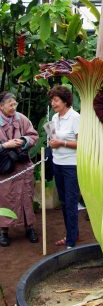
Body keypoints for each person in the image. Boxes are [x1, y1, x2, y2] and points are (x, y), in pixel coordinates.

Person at [0, 91, 39, 247]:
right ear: (1, 106)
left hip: (23, 167)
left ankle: (29, 228)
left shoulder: (21, 118)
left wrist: (23, 140)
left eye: (15, 104)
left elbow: (34, 136)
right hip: (5, 170)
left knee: (26, 197)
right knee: (5, 199)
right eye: (10, 104)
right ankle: (3, 231)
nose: (14, 107)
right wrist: (5, 145)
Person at [48, 85, 80, 249]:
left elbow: (82, 143)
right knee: (63, 201)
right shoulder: (54, 118)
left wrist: (62, 143)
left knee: (70, 201)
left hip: (71, 166)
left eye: (56, 100)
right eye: (52, 100)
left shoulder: (75, 117)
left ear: (65, 101)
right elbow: (53, 136)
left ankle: (71, 242)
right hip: (57, 163)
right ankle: (72, 234)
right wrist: (52, 143)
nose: (53, 103)